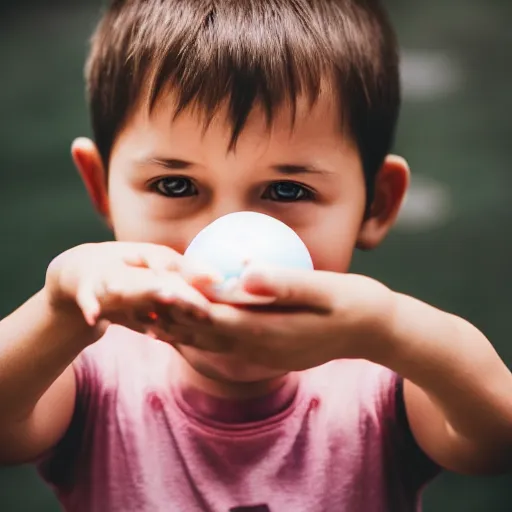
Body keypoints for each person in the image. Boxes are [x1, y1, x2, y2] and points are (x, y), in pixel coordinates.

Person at [0, 0, 511, 510]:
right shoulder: (88, 376)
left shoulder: (386, 384)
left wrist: (390, 328)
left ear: (375, 205)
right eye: (175, 184)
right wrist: (57, 308)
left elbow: (496, 440)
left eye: (287, 191)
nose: (230, 243)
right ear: (101, 187)